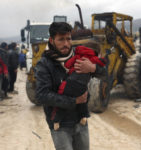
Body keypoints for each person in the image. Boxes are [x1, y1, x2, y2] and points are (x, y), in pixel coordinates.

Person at [35, 22, 106, 150]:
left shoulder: (79, 55)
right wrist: (74, 101)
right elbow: (42, 95)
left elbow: (105, 74)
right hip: (60, 125)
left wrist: (93, 67)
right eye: (61, 39)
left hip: (81, 120)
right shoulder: (44, 64)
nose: (66, 44)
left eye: (68, 39)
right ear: (51, 40)